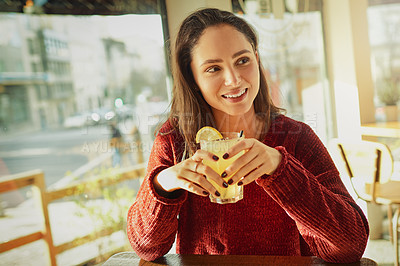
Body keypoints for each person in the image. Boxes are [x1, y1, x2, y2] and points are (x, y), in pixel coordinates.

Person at [126, 8, 369, 263]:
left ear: (256, 58)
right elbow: (146, 248)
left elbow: (351, 246)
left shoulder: (296, 138)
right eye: (213, 68)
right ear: (192, 76)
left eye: (242, 60)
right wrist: (164, 183)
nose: (233, 79)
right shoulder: (174, 140)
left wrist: (281, 169)